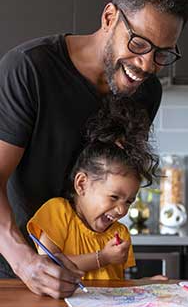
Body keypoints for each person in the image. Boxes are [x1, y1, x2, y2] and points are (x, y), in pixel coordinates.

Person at [0, 0, 188, 298]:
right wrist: (24, 261)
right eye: (139, 43)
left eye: (162, 53)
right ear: (108, 17)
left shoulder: (146, 94)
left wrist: (136, 285)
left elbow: (115, 177)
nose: (147, 65)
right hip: (16, 274)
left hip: (92, 283)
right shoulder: (29, 69)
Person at [27, 96, 158, 280]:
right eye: (114, 197)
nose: (122, 210)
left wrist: (147, 285)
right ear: (82, 184)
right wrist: (102, 257)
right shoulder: (57, 212)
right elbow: (50, 266)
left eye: (129, 201)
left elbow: (117, 284)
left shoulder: (119, 233)